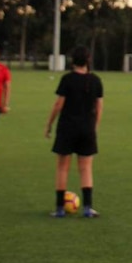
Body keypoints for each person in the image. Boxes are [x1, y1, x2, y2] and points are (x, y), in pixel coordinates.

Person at [45, 46, 104, 218]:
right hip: (87, 129)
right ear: (88, 60)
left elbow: (58, 105)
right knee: (85, 168)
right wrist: (95, 127)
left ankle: (60, 209)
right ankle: (87, 208)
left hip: (67, 128)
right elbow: (99, 107)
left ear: (72, 61)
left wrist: (49, 124)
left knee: (62, 168)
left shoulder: (67, 79)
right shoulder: (95, 80)